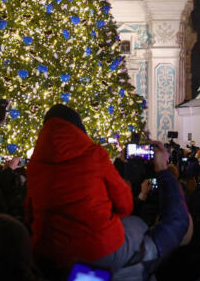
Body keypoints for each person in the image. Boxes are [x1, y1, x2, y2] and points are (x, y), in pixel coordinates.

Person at [25, 104, 134, 268]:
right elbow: (125, 205)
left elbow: (29, 212)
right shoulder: (95, 154)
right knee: (137, 228)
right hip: (98, 249)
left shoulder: (35, 165)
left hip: (50, 253)